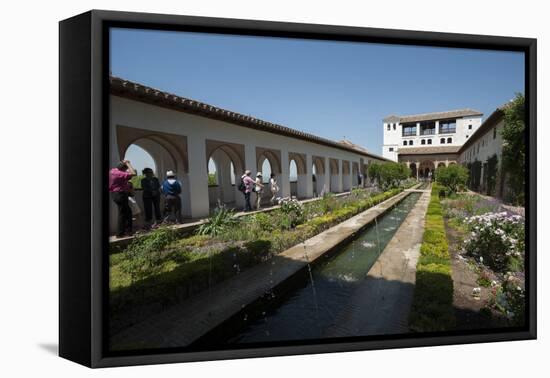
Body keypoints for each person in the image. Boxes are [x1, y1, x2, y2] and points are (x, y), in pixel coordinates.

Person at [109, 160, 136, 237]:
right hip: (120, 194)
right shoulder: (119, 173)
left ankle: (127, 231)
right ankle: (121, 233)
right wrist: (128, 163)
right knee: (123, 214)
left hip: (114, 194)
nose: (126, 171)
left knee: (126, 212)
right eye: (125, 169)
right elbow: (134, 173)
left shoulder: (112, 171)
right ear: (123, 168)